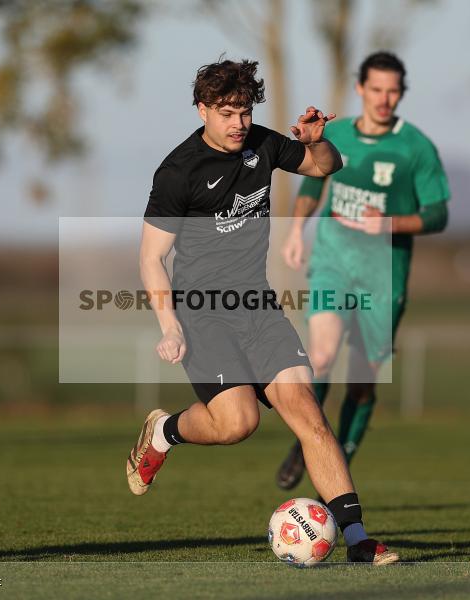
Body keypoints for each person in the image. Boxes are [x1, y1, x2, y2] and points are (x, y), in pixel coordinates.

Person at [125, 58, 399, 565]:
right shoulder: (178, 172)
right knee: (238, 423)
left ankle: (359, 539)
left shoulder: (262, 143)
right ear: (202, 109)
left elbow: (325, 166)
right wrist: (169, 325)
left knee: (309, 416)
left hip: (257, 306)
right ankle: (166, 431)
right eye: (227, 112)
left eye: (245, 111)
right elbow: (150, 258)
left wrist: (316, 140)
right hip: (201, 312)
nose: (238, 124)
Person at [275, 51, 451, 489]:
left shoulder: (416, 148)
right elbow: (313, 181)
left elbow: (437, 215)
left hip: (383, 273)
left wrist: (388, 223)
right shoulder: (336, 136)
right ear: (361, 88)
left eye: (393, 91)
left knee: (362, 383)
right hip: (333, 260)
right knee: (320, 355)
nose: (384, 98)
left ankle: (340, 459)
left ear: (402, 93)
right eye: (376, 89)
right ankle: (309, 441)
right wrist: (297, 230)